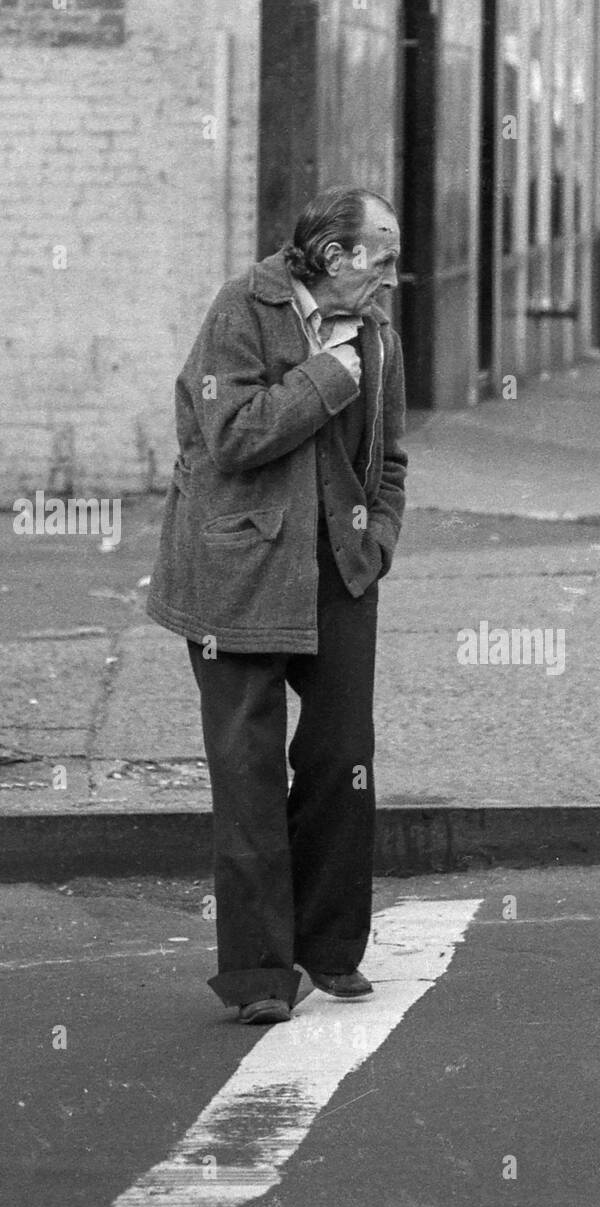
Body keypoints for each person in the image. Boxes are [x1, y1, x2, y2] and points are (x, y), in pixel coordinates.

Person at [146, 187, 407, 1025]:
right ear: (336, 258)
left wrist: (380, 541)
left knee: (340, 759)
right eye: (385, 257)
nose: (395, 278)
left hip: (339, 570)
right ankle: (260, 975)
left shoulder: (377, 332)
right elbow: (232, 435)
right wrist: (326, 378)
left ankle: (329, 949)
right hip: (236, 573)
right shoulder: (242, 308)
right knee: (248, 774)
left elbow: (390, 457)